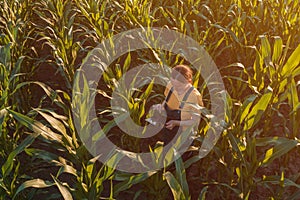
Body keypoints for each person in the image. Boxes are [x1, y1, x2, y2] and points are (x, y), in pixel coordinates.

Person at [150, 64, 204, 148]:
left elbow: (195, 121)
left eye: (179, 86)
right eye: (173, 83)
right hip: (169, 129)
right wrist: (161, 106)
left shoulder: (193, 96)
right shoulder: (171, 85)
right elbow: (167, 99)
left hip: (183, 135)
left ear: (189, 81)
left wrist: (176, 123)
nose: (176, 88)